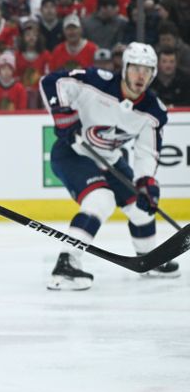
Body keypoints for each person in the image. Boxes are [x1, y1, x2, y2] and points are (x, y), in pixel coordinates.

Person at [39, 42, 179, 290]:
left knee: (142, 207)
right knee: (100, 200)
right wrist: (63, 115)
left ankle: (149, 259)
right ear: (125, 67)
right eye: (136, 69)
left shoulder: (153, 111)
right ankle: (66, 264)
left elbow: (147, 152)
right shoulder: (97, 81)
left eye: (147, 71)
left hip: (110, 159)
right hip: (73, 152)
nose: (141, 76)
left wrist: (146, 182)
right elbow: (52, 82)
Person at [15, 17, 50, 108]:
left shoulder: (45, 55)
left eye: (34, 35)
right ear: (22, 37)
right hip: (21, 95)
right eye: (28, 35)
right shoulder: (17, 56)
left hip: (40, 96)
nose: (31, 38)